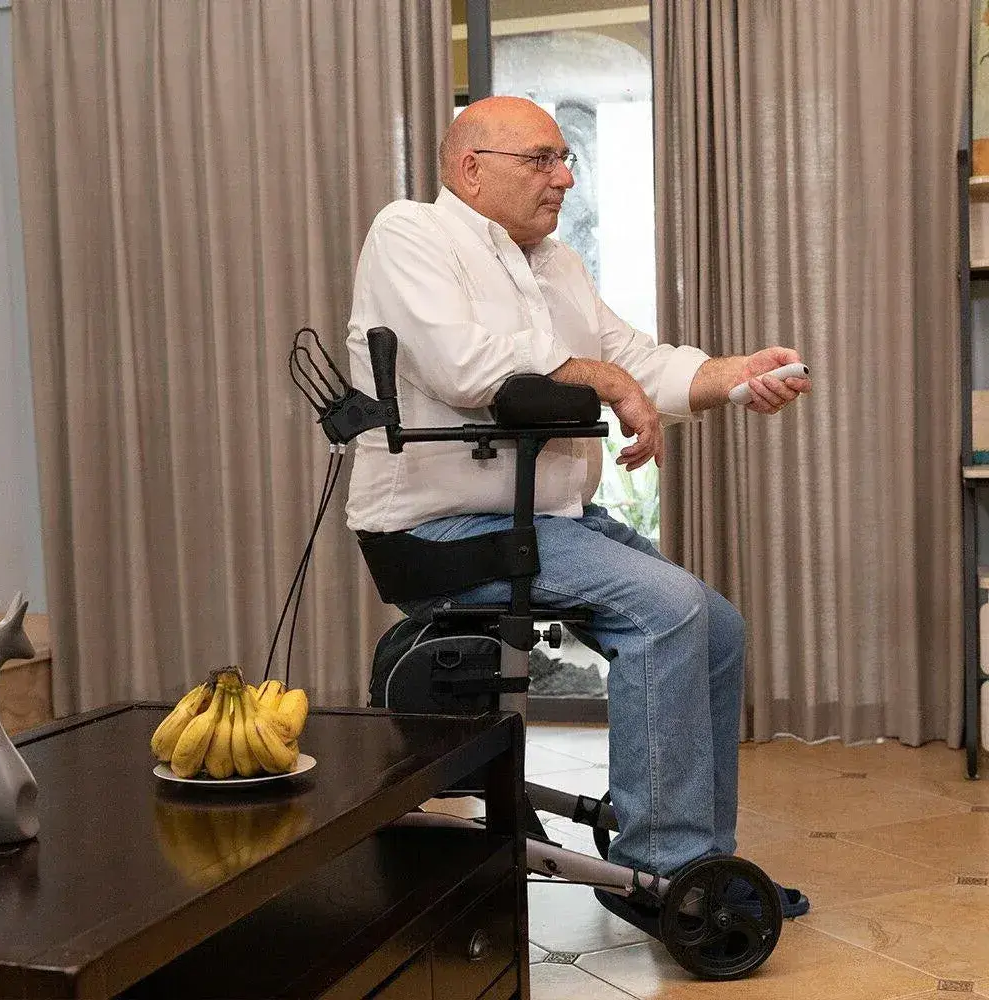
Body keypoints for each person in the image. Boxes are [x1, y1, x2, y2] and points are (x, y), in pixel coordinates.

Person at [344, 96, 812, 920]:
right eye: (541, 159)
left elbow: (635, 359)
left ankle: (703, 861)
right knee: (667, 610)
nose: (563, 177)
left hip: (546, 518)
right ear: (471, 169)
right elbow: (467, 367)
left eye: (566, 160)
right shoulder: (411, 233)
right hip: (442, 527)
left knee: (717, 626)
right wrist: (607, 381)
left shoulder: (554, 264)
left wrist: (736, 376)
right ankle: (661, 876)